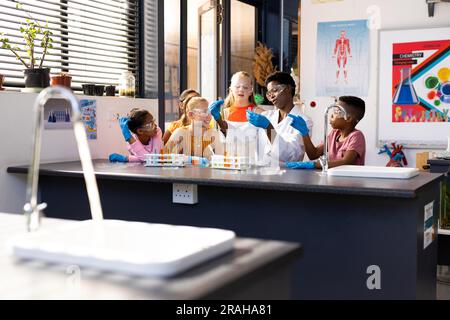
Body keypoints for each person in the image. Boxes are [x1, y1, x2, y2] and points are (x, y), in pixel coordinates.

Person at [245, 71, 313, 164]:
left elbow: (292, 156)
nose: (272, 96)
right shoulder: (266, 116)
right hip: (261, 173)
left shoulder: (304, 121)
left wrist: (269, 128)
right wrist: (220, 121)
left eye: (275, 90)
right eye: (269, 93)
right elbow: (244, 137)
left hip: (287, 176)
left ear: (288, 88)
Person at [286, 95, 366, 169]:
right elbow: (313, 154)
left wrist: (314, 165)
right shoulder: (335, 134)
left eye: (336, 111)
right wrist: (304, 133)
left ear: (348, 118)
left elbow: (346, 162)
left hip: (350, 182)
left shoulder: (356, 136)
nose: (331, 115)